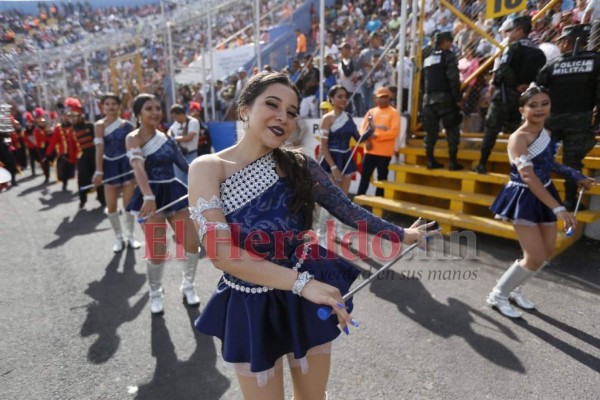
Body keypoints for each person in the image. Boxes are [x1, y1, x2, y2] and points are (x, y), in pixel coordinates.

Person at [187, 72, 432, 399]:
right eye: (272, 105)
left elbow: (348, 211)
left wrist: (403, 234)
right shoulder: (207, 167)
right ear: (244, 108)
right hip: (252, 302)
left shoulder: (299, 164)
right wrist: (304, 284)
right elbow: (222, 255)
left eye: (291, 112)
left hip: (304, 294)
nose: (282, 117)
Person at [487, 85, 595, 318]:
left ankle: (515, 288)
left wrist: (577, 176)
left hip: (545, 192)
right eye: (533, 105)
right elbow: (528, 175)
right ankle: (498, 294)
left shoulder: (545, 134)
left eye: (544, 103)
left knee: (546, 253)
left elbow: (550, 165)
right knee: (534, 256)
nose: (539, 109)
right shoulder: (518, 139)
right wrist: (558, 209)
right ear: (522, 110)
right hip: (523, 197)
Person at [125, 93, 201, 315]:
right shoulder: (133, 138)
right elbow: (138, 167)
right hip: (149, 195)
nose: (155, 112)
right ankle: (155, 292)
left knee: (191, 243)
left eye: (158, 108)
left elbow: (184, 165)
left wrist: (208, 177)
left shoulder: (167, 138)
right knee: (157, 250)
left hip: (174, 192)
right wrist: (148, 196)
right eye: (149, 108)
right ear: (139, 113)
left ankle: (188, 285)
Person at [536, 24, 600, 210]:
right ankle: (570, 201)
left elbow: (538, 90)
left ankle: (535, 197)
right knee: (572, 162)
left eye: (561, 41)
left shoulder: (553, 64)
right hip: (579, 120)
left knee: (541, 157)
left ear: (566, 42)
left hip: (552, 120)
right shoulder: (596, 61)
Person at [473, 15, 546, 174]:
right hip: (525, 97)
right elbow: (540, 74)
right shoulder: (538, 51)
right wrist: (525, 86)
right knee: (517, 132)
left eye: (510, 31)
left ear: (519, 31)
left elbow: (504, 69)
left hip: (505, 93)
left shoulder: (513, 48)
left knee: (492, 128)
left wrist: (512, 85)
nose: (507, 34)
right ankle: (518, 168)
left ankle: (482, 164)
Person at [93, 93, 141, 252]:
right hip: (109, 167)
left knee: (128, 205)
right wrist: (99, 171)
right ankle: (118, 237)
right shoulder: (99, 125)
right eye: (107, 104)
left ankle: (130, 236)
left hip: (126, 165)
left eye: (114, 104)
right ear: (103, 106)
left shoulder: (127, 125)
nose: (111, 107)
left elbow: (135, 147)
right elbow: (99, 149)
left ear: (119, 106)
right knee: (112, 206)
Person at [318, 85, 361, 243]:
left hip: (347, 160)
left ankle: (339, 232)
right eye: (340, 96)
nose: (343, 99)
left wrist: (371, 129)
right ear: (332, 99)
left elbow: (359, 139)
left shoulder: (349, 117)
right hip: (331, 162)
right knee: (329, 199)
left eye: (345, 96)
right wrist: (334, 168)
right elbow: (323, 146)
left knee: (343, 200)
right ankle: (321, 234)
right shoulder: (327, 119)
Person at [421, 31, 463, 170]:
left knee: (430, 132)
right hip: (445, 99)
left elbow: (422, 80)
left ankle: (430, 161)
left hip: (428, 100)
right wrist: (458, 98)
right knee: (452, 130)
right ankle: (452, 162)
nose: (451, 45)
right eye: (449, 42)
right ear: (444, 42)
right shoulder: (448, 56)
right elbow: (453, 79)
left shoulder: (427, 57)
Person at [357, 87, 401, 196]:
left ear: (389, 98)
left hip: (384, 153)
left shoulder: (394, 113)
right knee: (365, 176)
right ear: (376, 99)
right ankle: (359, 200)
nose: (383, 99)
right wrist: (366, 140)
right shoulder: (371, 112)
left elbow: (394, 132)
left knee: (382, 178)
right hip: (369, 151)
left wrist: (376, 135)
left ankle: (379, 202)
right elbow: (362, 129)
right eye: (380, 97)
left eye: (385, 97)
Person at [67, 97, 106, 209]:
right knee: (82, 179)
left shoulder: (90, 126)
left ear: (80, 116)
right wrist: (72, 160)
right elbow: (71, 147)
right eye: (71, 117)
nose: (73, 119)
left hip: (94, 155)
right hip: (82, 157)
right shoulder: (72, 130)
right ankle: (82, 200)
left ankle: (101, 198)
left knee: (98, 178)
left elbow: (99, 142)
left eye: (75, 116)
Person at [45, 103, 77, 191]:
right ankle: (64, 184)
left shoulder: (74, 126)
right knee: (63, 168)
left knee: (77, 169)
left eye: (67, 116)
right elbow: (53, 142)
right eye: (63, 116)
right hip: (63, 153)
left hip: (74, 152)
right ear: (61, 117)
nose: (65, 117)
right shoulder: (58, 129)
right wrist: (48, 153)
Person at [167, 104, 200, 184]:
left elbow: (189, 137)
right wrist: (170, 137)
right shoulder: (175, 124)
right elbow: (168, 135)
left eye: (175, 116)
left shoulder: (193, 122)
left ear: (181, 114)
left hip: (191, 155)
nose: (175, 119)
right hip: (179, 155)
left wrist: (174, 139)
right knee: (180, 182)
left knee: (192, 181)